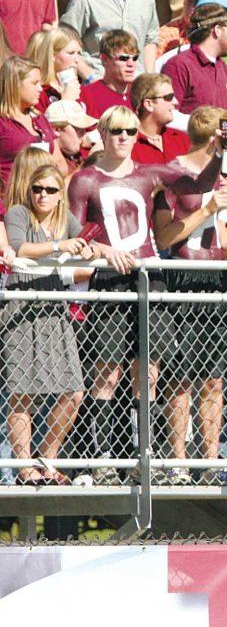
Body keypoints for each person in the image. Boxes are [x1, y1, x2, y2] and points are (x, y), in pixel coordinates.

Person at [68, 105, 227, 485]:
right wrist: (102, 250)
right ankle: (102, 460)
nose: (123, 137)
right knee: (106, 371)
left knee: (150, 372)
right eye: (116, 131)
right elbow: (74, 235)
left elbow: (197, 182)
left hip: (148, 276)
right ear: (103, 133)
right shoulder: (84, 180)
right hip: (110, 278)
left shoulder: (148, 174)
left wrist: (221, 149)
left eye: (129, 131)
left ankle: (147, 456)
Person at [153, 106, 227, 486]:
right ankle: (177, 460)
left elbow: (216, 230)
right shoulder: (172, 174)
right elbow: (165, 237)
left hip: (216, 278)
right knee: (181, 375)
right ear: (215, 140)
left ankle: (209, 458)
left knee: (214, 376)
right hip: (181, 277)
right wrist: (208, 206)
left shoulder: (221, 178)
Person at [4, 161, 89, 486]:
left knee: (74, 391)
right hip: (20, 306)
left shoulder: (62, 218)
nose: (42, 195)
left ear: (59, 196)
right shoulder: (19, 213)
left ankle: (47, 459)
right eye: (37, 189)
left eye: (50, 190)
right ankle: (25, 468)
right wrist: (59, 246)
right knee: (21, 393)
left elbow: (86, 242)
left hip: (54, 308)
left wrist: (103, 249)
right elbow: (17, 247)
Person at [161, 4, 227, 116]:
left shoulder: (222, 66)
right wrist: (210, 124)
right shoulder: (179, 65)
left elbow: (221, 116)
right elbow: (168, 114)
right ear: (217, 30)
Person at [0, 57, 57, 186]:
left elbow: (58, 161)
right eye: (34, 83)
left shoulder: (40, 118)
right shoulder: (2, 123)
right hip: (11, 200)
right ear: (14, 84)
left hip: (43, 195)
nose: (40, 89)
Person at [130, 72, 188, 165]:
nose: (176, 102)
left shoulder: (182, 139)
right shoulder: (127, 144)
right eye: (169, 97)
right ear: (148, 104)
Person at [79, 29, 138, 119]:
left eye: (135, 58)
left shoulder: (140, 94)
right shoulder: (89, 95)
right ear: (105, 59)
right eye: (124, 58)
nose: (131, 64)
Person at [25, 26, 84, 108]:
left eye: (79, 53)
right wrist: (66, 101)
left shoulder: (77, 86)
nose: (77, 59)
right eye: (71, 53)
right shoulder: (39, 91)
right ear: (52, 54)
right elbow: (41, 120)